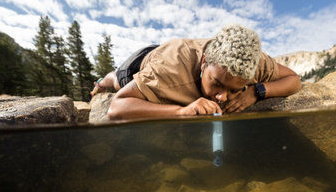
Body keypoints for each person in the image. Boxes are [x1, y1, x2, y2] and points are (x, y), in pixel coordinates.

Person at [92, 24, 301, 120]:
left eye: (236, 89)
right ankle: (101, 82)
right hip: (140, 63)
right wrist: (180, 111)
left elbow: (294, 80)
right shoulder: (167, 71)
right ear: (204, 62)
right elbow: (116, 108)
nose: (222, 97)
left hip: (168, 52)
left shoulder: (251, 62)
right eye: (217, 83)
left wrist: (257, 92)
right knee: (117, 80)